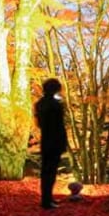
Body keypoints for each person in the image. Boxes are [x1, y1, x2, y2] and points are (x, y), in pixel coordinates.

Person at [34, 77, 68, 209]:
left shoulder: (39, 104)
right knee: (51, 171)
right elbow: (59, 125)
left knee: (45, 170)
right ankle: (47, 201)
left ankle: (46, 198)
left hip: (46, 139)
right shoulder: (55, 105)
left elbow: (40, 124)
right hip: (55, 140)